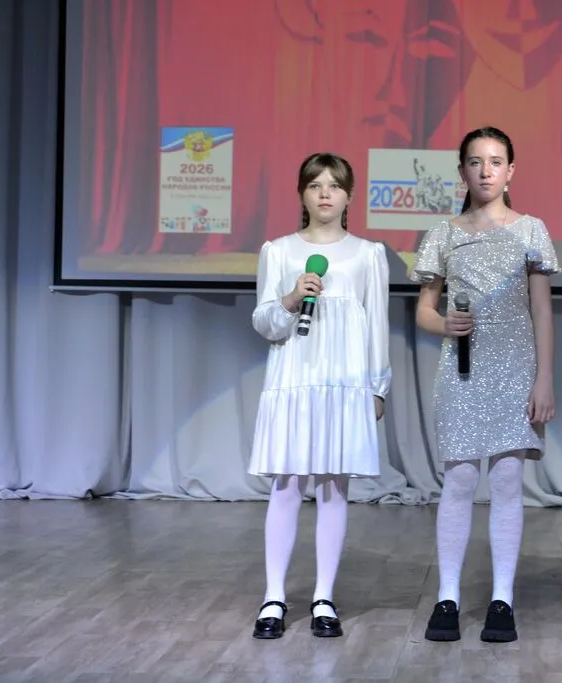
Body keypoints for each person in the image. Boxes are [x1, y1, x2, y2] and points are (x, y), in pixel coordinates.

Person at [410, 127, 559, 643]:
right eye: (476, 161)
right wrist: (443, 323)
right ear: (463, 171)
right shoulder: (444, 233)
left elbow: (542, 310)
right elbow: (424, 311)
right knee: (457, 480)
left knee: (508, 480)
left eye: (496, 161)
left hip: (515, 368)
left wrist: (544, 378)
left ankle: (502, 599)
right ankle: (447, 596)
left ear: (511, 171)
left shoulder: (531, 230)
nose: (486, 170)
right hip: (462, 369)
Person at [248, 153, 391, 640]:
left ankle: (324, 596)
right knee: (286, 484)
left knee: (333, 487)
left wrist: (377, 387)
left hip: (345, 383)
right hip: (294, 379)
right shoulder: (279, 251)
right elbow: (265, 323)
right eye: (315, 184)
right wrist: (291, 299)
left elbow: (377, 325)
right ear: (301, 193)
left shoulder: (368, 254)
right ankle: (273, 597)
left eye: (334, 185)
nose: (325, 193)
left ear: (349, 196)